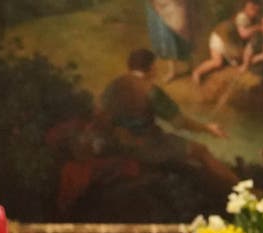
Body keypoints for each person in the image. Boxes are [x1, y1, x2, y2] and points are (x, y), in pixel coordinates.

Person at [99, 48, 238, 194]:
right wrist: (208, 128)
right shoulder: (150, 90)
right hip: (148, 146)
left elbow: (102, 116)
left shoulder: (113, 86)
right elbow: (179, 123)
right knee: (201, 151)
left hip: (118, 144)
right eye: (155, 66)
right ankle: (244, 192)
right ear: (152, 67)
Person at [192, 0, 262, 86]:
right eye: (252, 9)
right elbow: (243, 34)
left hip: (227, 41)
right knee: (217, 62)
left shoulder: (252, 19)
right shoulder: (242, 16)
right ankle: (197, 72)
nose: (254, 13)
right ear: (246, 7)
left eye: (256, 11)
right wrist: (258, 28)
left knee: (222, 62)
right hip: (220, 37)